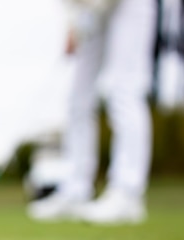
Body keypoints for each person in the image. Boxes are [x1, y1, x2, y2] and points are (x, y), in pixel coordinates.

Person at [28, 0, 157, 224]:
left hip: (128, 5)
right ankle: (76, 190)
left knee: (124, 91)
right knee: (77, 100)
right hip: (91, 10)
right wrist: (73, 24)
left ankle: (127, 193)